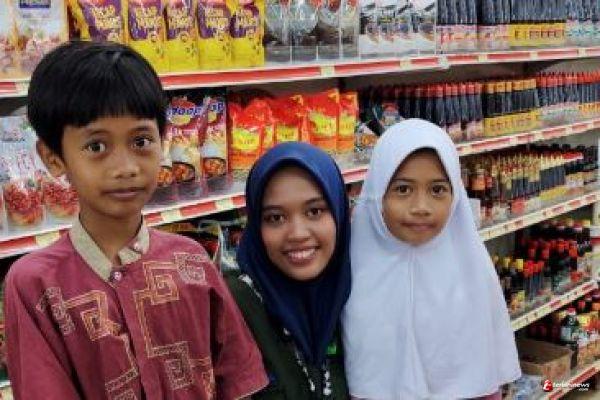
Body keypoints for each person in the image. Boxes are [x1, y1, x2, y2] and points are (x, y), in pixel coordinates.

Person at [4, 41, 267, 400]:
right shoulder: (35, 286)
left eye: (141, 141)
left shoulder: (192, 261)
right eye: (96, 147)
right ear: (53, 158)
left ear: (163, 141)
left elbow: (235, 378)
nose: (126, 167)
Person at [342, 119, 521, 400]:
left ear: (456, 196)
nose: (421, 207)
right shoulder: (349, 274)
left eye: (437, 190)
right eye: (403, 189)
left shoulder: (472, 276)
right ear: (377, 194)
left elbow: (483, 379)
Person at [225, 142, 351, 399]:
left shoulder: (360, 297)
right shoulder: (233, 308)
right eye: (275, 218)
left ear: (339, 212)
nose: (297, 234)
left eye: (314, 211)